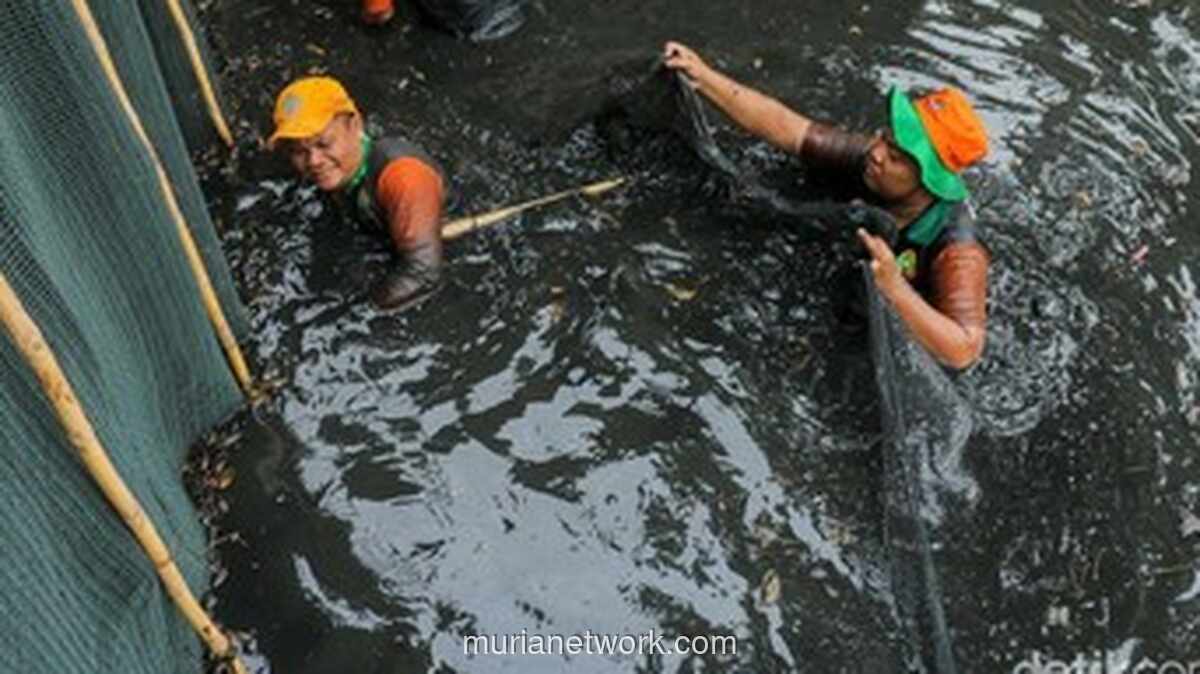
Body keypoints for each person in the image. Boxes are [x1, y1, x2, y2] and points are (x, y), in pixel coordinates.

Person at [662, 42, 990, 370]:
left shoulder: (958, 250)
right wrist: (702, 76)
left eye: (896, 157)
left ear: (929, 181)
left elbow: (965, 350)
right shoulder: (871, 162)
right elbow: (790, 129)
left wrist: (894, 288)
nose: (877, 153)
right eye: (884, 138)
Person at [268, 76, 447, 311]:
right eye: (298, 151)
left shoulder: (404, 177)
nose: (314, 161)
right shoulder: (337, 170)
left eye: (324, 144)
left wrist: (355, 311)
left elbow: (423, 273)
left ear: (355, 125)